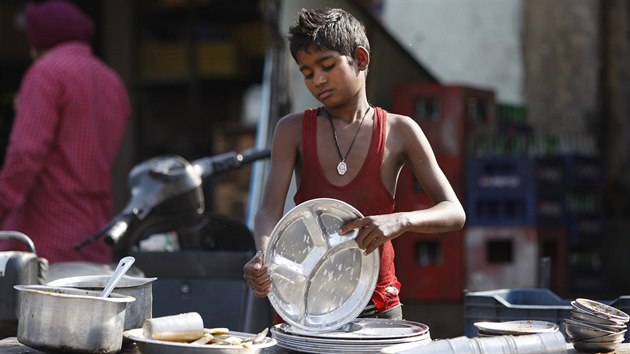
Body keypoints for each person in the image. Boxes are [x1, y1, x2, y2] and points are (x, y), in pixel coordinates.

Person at [243, 7, 466, 320]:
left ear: (360, 58)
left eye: (327, 66)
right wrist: (263, 254)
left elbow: (454, 212)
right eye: (307, 74)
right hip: (308, 309)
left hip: (377, 306)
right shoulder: (292, 130)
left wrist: (400, 221)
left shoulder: (400, 131)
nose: (318, 79)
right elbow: (268, 210)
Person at [0, 0, 131, 263]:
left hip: (46, 234)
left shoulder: (46, 73)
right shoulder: (111, 79)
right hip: (95, 232)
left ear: (37, 40)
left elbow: (25, 156)